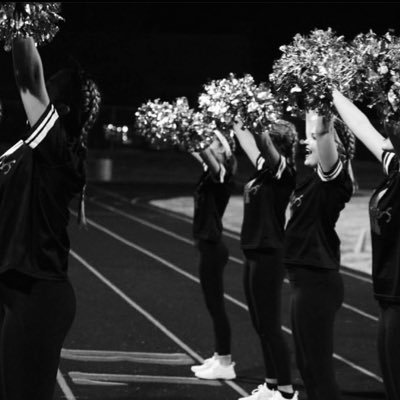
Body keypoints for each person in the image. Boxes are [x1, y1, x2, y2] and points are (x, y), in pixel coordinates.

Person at [0, 32, 100, 399]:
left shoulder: (58, 153)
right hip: (13, 289)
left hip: (37, 296)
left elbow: (27, 77)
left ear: (64, 110)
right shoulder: (25, 149)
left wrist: (20, 23)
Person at [333, 89, 400, 400]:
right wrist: (328, 88)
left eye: (393, 119)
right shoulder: (394, 166)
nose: (385, 122)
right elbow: (360, 125)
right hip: (388, 293)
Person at [284, 111, 354, 400]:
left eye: (312, 138)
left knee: (319, 371)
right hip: (304, 282)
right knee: (307, 367)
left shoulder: (332, 182)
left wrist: (319, 98)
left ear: (334, 147)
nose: (305, 141)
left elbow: (324, 132)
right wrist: (310, 109)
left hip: (317, 284)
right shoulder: (311, 180)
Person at [233, 120, 298, 400]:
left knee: (270, 325)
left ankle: (286, 391)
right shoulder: (263, 168)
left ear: (275, 142)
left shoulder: (284, 171)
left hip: (269, 252)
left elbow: (264, 144)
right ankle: (271, 386)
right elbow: (246, 140)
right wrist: (234, 115)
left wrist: (260, 120)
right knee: (260, 324)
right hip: (253, 251)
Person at [189, 130, 237, 380]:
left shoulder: (222, 174)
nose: (210, 144)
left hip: (213, 248)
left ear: (225, 151)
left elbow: (204, 153)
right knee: (213, 305)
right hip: (208, 246)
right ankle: (219, 356)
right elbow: (196, 150)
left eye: (217, 143)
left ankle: (225, 362)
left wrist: (197, 140)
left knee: (216, 306)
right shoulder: (211, 173)